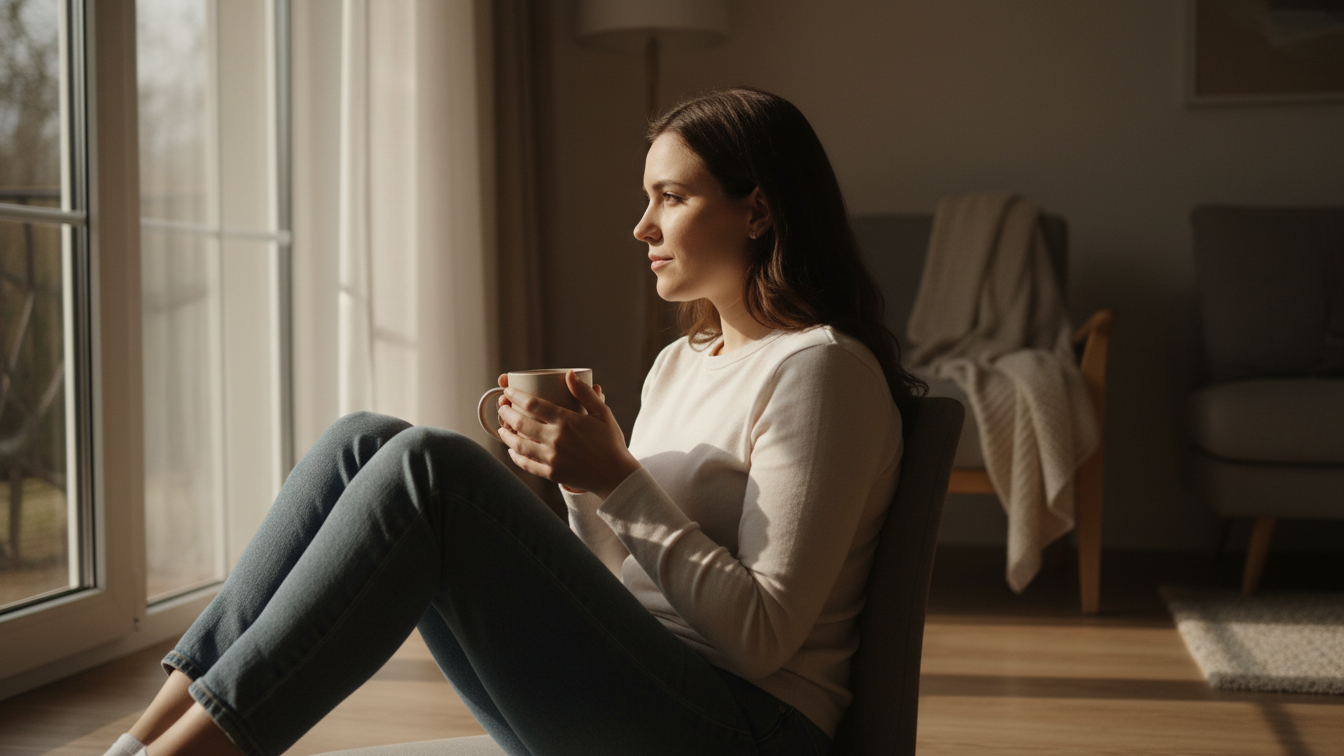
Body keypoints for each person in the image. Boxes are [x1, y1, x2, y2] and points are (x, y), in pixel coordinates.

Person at [102, 87, 924, 756]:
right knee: (362, 440)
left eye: (670, 198)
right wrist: (583, 486)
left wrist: (618, 478)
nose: (642, 227)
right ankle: (140, 743)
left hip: (744, 727)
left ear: (757, 211)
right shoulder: (682, 362)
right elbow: (624, 580)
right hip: (644, 690)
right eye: (646, 199)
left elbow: (761, 637)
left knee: (431, 469)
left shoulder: (819, 371)